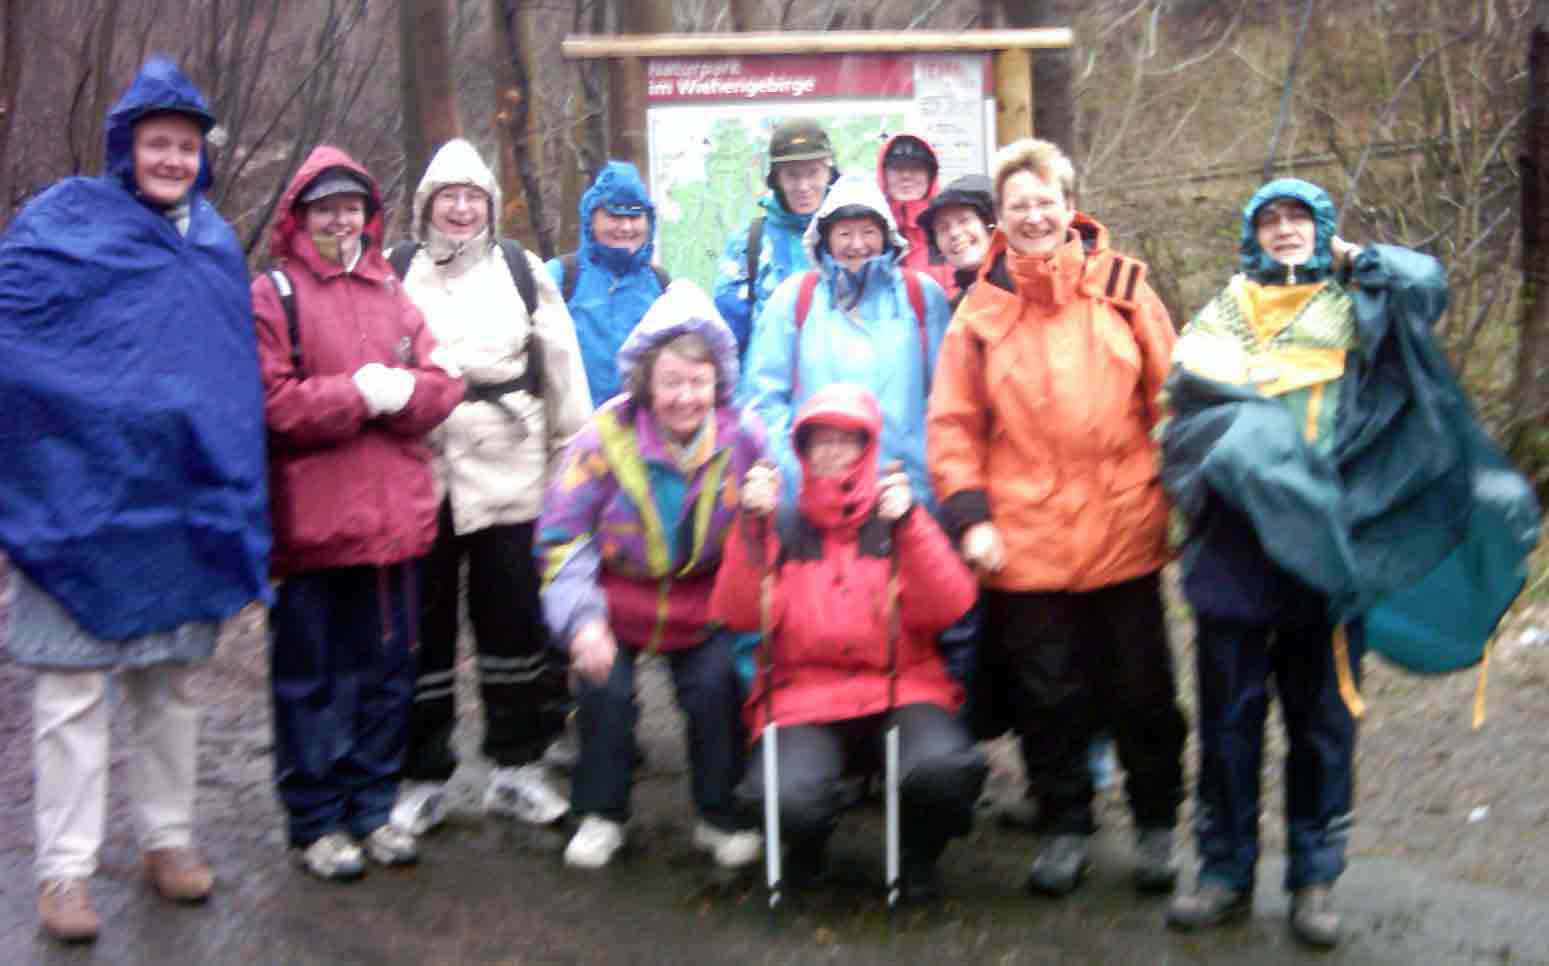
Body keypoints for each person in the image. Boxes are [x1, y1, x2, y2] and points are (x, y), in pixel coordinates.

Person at [1160, 178, 1540, 947]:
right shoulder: (1221, 312)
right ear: (1250, 236)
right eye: (1269, 220)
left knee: (1321, 723)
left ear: (1322, 228)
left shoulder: (1359, 308)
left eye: (1299, 218)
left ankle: (1314, 877)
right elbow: (1186, 412)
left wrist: (1355, 256)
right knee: (1227, 725)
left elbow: (1425, 287)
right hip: (1233, 555)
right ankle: (1223, 870)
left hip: (1331, 551)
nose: (1284, 230)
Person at [0, 57, 272, 944]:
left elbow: (226, 373)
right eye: (157, 143)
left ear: (203, 155)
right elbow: (17, 333)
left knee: (171, 685)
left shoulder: (216, 243)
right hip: (73, 496)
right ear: (128, 147)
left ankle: (167, 840)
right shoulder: (63, 223)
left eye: (186, 146)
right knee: (71, 692)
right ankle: (64, 873)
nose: (171, 159)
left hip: (176, 503)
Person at [926, 138, 1187, 899]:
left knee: (1142, 689)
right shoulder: (979, 309)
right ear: (999, 220)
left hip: (1126, 530)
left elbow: (1172, 400)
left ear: (1067, 206)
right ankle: (1065, 821)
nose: (1034, 216)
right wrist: (970, 516)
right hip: (1025, 541)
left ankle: (1155, 821)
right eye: (1018, 207)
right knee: (1049, 696)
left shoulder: (1125, 287)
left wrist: (1181, 498)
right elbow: (952, 424)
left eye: (1045, 202)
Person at [253, 146, 463, 882]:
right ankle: (316, 820)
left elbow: (442, 382)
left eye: (349, 207)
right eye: (324, 208)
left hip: (393, 526)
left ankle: (372, 809)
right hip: (312, 530)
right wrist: (357, 397)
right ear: (300, 217)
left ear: (368, 217)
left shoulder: (392, 294)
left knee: (386, 673)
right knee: (311, 679)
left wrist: (403, 393)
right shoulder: (272, 292)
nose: (339, 219)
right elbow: (273, 404)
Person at [712, 384, 986, 903]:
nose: (833, 451)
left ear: (869, 448)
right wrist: (751, 526)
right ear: (802, 450)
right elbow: (739, 613)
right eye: (821, 440)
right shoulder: (779, 525)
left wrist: (909, 525)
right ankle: (804, 848)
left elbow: (952, 605)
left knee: (945, 770)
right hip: (802, 698)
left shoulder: (900, 521)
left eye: (847, 440)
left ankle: (917, 853)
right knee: (783, 793)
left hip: (902, 689)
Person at [388, 138, 590, 837]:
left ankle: (518, 770)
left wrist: (572, 458)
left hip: (512, 467)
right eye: (449, 195)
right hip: (424, 472)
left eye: (473, 195)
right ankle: (420, 775)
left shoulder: (521, 269)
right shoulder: (396, 271)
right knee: (423, 630)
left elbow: (561, 367)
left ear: (487, 205)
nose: (462, 206)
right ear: (427, 204)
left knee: (514, 625)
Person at [537, 281, 766, 870]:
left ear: (718, 384)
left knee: (718, 689)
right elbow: (563, 537)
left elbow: (768, 537)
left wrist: (772, 505)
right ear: (645, 383)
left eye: (699, 382)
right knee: (605, 690)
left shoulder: (745, 438)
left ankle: (719, 815)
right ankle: (600, 811)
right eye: (671, 383)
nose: (686, 398)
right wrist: (582, 622)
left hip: (704, 600)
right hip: (618, 598)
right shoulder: (601, 438)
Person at [740, 172, 951, 514]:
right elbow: (765, 399)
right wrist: (799, 480)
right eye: (844, 233)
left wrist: (923, 485)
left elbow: (946, 398)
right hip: (815, 499)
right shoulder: (795, 298)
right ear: (824, 238)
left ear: (886, 236)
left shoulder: (921, 296)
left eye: (868, 232)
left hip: (905, 494)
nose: (857, 244)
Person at [547, 160, 669, 409]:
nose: (625, 227)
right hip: (574, 432)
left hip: (642, 435)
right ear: (591, 219)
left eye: (635, 216)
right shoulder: (560, 277)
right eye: (614, 215)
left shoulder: (662, 286)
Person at [714, 116, 837, 353]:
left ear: (828, 173)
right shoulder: (748, 244)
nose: (803, 186)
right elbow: (727, 338)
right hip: (766, 385)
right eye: (792, 174)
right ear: (776, 179)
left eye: (813, 172)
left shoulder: (851, 237)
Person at [876, 133, 954, 295]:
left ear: (930, 175)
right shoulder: (870, 229)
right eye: (897, 168)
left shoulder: (951, 227)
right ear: (884, 174)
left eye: (916, 168)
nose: (906, 176)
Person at [917, 173, 996, 311]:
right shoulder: (956, 310)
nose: (954, 233)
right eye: (943, 228)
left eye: (964, 220)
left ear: (990, 224)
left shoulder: (1028, 284)